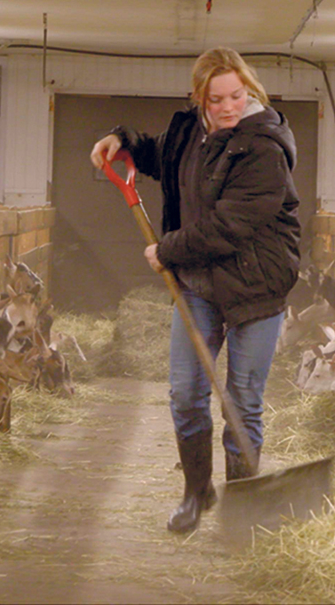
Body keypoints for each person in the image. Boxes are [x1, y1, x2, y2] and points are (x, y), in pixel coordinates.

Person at [89, 47, 301, 534]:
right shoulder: (189, 132)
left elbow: (232, 225)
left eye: (236, 96)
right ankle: (196, 491)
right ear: (199, 98)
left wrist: (169, 249)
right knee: (186, 393)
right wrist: (121, 140)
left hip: (257, 287)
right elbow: (154, 153)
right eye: (216, 99)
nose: (228, 107)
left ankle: (243, 508)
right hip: (199, 284)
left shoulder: (266, 146)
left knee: (242, 400)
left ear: (248, 90)